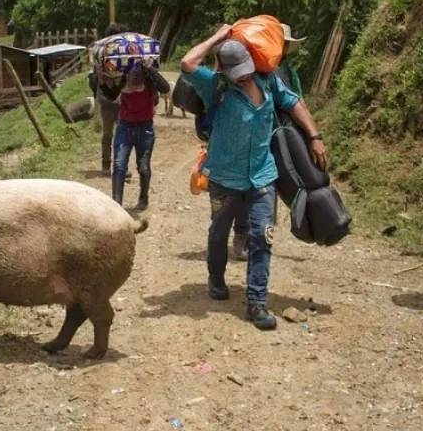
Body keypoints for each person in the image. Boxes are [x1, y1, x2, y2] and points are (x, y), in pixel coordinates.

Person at [180, 25, 326, 330]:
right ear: (222, 69)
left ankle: (256, 304)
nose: (244, 77)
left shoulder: (269, 81)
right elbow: (187, 64)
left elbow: (295, 103)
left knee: (262, 237)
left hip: (262, 176)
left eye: (247, 69)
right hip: (224, 178)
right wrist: (218, 38)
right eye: (237, 72)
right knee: (219, 233)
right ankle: (216, 277)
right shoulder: (215, 86)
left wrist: (314, 135)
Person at [231, 23, 307, 261]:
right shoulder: (250, 71)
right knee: (246, 187)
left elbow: (297, 102)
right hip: (250, 138)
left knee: (269, 185)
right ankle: (242, 234)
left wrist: (309, 135)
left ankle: (261, 233)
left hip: (279, 137)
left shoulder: (287, 72)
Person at [98, 59, 170, 210]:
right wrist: (102, 81)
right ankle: (116, 204)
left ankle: (143, 199)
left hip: (145, 129)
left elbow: (165, 88)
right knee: (119, 165)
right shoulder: (123, 79)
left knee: (143, 167)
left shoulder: (150, 81)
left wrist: (150, 69)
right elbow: (111, 96)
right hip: (125, 127)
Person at [89, 22, 133, 180]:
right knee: (108, 133)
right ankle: (106, 164)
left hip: (122, 98)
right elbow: (96, 73)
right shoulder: (100, 52)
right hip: (108, 98)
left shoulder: (126, 51)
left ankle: (121, 165)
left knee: (122, 133)